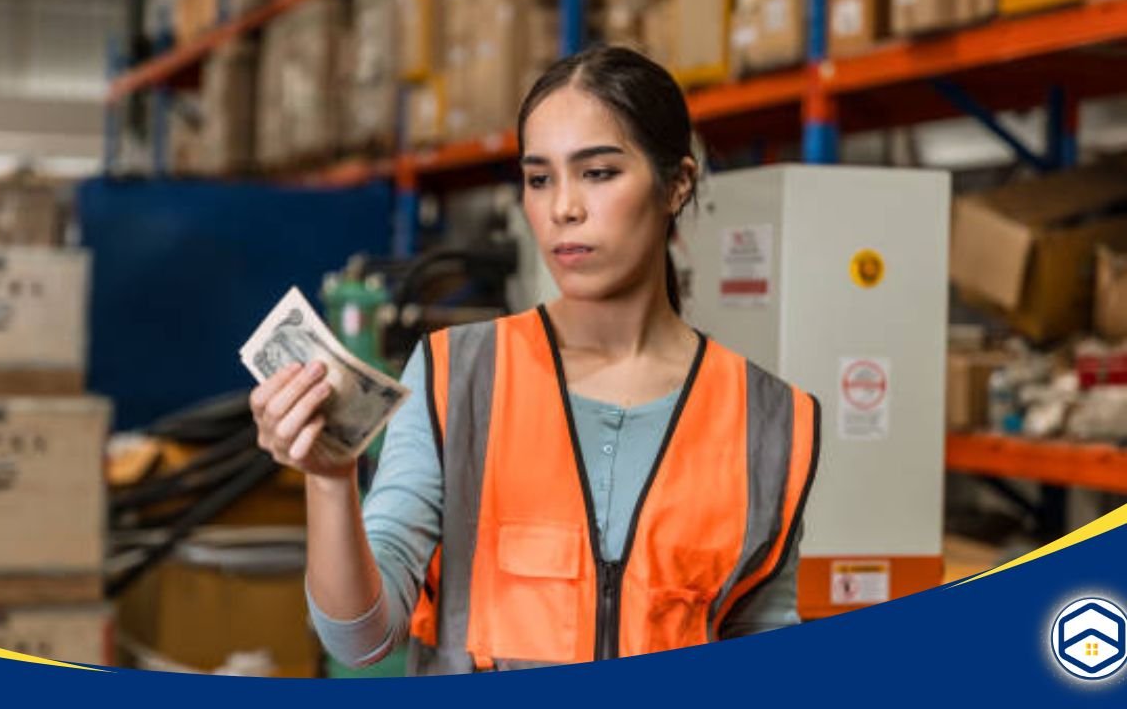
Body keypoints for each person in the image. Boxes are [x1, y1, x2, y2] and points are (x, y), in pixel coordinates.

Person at [249, 46, 820, 675]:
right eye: (539, 178)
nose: (562, 208)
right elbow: (360, 639)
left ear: (677, 184)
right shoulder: (458, 377)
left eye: (598, 173)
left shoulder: (769, 419)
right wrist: (330, 483)